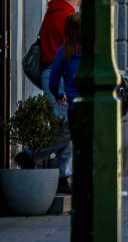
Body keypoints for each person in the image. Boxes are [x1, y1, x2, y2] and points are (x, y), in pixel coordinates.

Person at [24, 0, 81, 185]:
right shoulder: (69, 18)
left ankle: (62, 176)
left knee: (63, 125)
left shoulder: (52, 12)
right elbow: (68, 54)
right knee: (66, 127)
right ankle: (31, 154)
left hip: (51, 73)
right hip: (59, 76)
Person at [46, 13, 80, 194]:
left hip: (74, 104)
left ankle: (65, 177)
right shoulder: (94, 50)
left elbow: (53, 79)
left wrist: (58, 93)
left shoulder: (64, 51)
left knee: (71, 140)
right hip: (93, 106)